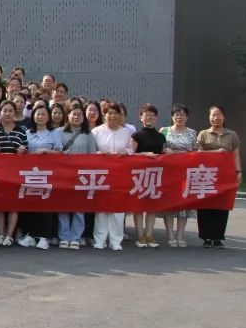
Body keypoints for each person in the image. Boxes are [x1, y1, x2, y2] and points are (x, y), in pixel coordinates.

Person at [196, 105, 241, 248]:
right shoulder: (203, 134)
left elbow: (236, 154)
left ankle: (217, 238)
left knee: (222, 206)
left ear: (224, 117)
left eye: (219, 114)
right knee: (205, 205)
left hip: (224, 176)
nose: (216, 118)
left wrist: (238, 171)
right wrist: (217, 152)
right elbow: (199, 153)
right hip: (206, 175)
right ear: (209, 117)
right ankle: (206, 237)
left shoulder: (232, 135)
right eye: (213, 115)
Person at [18, 104, 62, 249]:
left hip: (48, 174)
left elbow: (60, 152)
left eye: (43, 114)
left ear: (48, 117)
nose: (40, 117)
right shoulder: (27, 132)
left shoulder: (54, 133)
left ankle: (44, 237)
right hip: (30, 174)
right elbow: (24, 148)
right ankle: (31, 235)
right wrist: (22, 149)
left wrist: (46, 151)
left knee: (46, 205)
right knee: (30, 204)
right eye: (38, 114)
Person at [91, 102, 133, 250]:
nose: (112, 116)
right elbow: (90, 152)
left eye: (116, 113)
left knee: (118, 208)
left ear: (120, 116)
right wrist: (100, 154)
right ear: (104, 115)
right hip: (101, 174)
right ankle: (100, 239)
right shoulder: (96, 131)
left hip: (120, 174)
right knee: (101, 208)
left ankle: (116, 241)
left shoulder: (125, 132)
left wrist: (125, 152)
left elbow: (131, 150)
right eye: (110, 113)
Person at [57, 104, 97, 250]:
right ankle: (64, 236)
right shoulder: (59, 132)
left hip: (81, 176)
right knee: (63, 207)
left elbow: (92, 155)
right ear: (68, 115)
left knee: (79, 207)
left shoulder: (88, 134)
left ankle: (75, 237)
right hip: (63, 175)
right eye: (73, 114)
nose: (76, 117)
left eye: (80, 114)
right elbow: (55, 151)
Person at [159, 104, 198, 248]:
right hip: (168, 173)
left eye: (182, 114)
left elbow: (196, 151)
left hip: (185, 173)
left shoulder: (192, 133)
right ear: (172, 116)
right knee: (169, 204)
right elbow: (159, 148)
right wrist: (165, 150)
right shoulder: (164, 131)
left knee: (183, 205)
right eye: (176, 114)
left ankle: (180, 236)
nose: (179, 117)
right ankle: (170, 236)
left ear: (187, 117)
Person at [131, 103, 166, 249]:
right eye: (146, 115)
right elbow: (131, 155)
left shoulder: (161, 136)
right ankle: (140, 236)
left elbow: (163, 154)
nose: (149, 118)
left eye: (152, 115)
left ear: (156, 118)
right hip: (139, 175)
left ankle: (149, 234)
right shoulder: (136, 135)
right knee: (139, 206)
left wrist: (168, 153)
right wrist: (144, 154)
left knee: (152, 206)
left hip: (156, 175)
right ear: (141, 117)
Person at [0, 101, 28, 246]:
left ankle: (10, 235)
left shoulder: (21, 130)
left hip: (15, 173)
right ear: (0, 113)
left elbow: (27, 148)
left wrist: (23, 150)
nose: (7, 113)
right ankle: (1, 233)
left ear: (15, 113)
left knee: (13, 204)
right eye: (5, 111)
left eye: (10, 111)